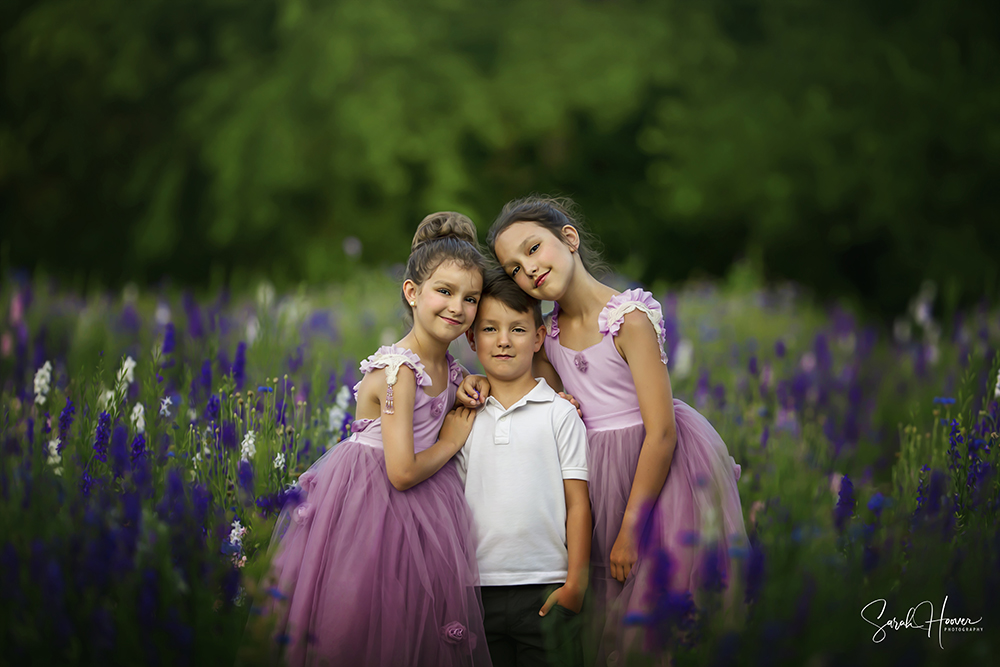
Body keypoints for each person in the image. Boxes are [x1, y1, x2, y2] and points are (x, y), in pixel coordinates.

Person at [474, 196, 748, 663]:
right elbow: (537, 395)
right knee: (602, 619)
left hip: (654, 476)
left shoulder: (629, 318)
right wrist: (483, 381)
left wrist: (630, 530)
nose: (529, 270)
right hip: (594, 478)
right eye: (515, 268)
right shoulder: (549, 336)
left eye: (534, 248)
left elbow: (661, 432)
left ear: (569, 238)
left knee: (651, 617)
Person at [263, 212, 493, 667]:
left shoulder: (451, 369)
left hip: (430, 512)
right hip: (372, 509)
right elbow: (401, 471)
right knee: (366, 629)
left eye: (471, 298)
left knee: (418, 628)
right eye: (444, 292)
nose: (457, 307)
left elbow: (461, 391)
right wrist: (451, 440)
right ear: (412, 292)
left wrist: (477, 383)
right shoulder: (397, 372)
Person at [455, 269, 592, 667]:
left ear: (538, 337)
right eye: (490, 329)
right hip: (477, 588)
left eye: (517, 329)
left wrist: (575, 584)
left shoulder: (561, 413)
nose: (502, 340)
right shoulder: (463, 414)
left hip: (547, 585)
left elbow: (578, 504)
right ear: (472, 338)